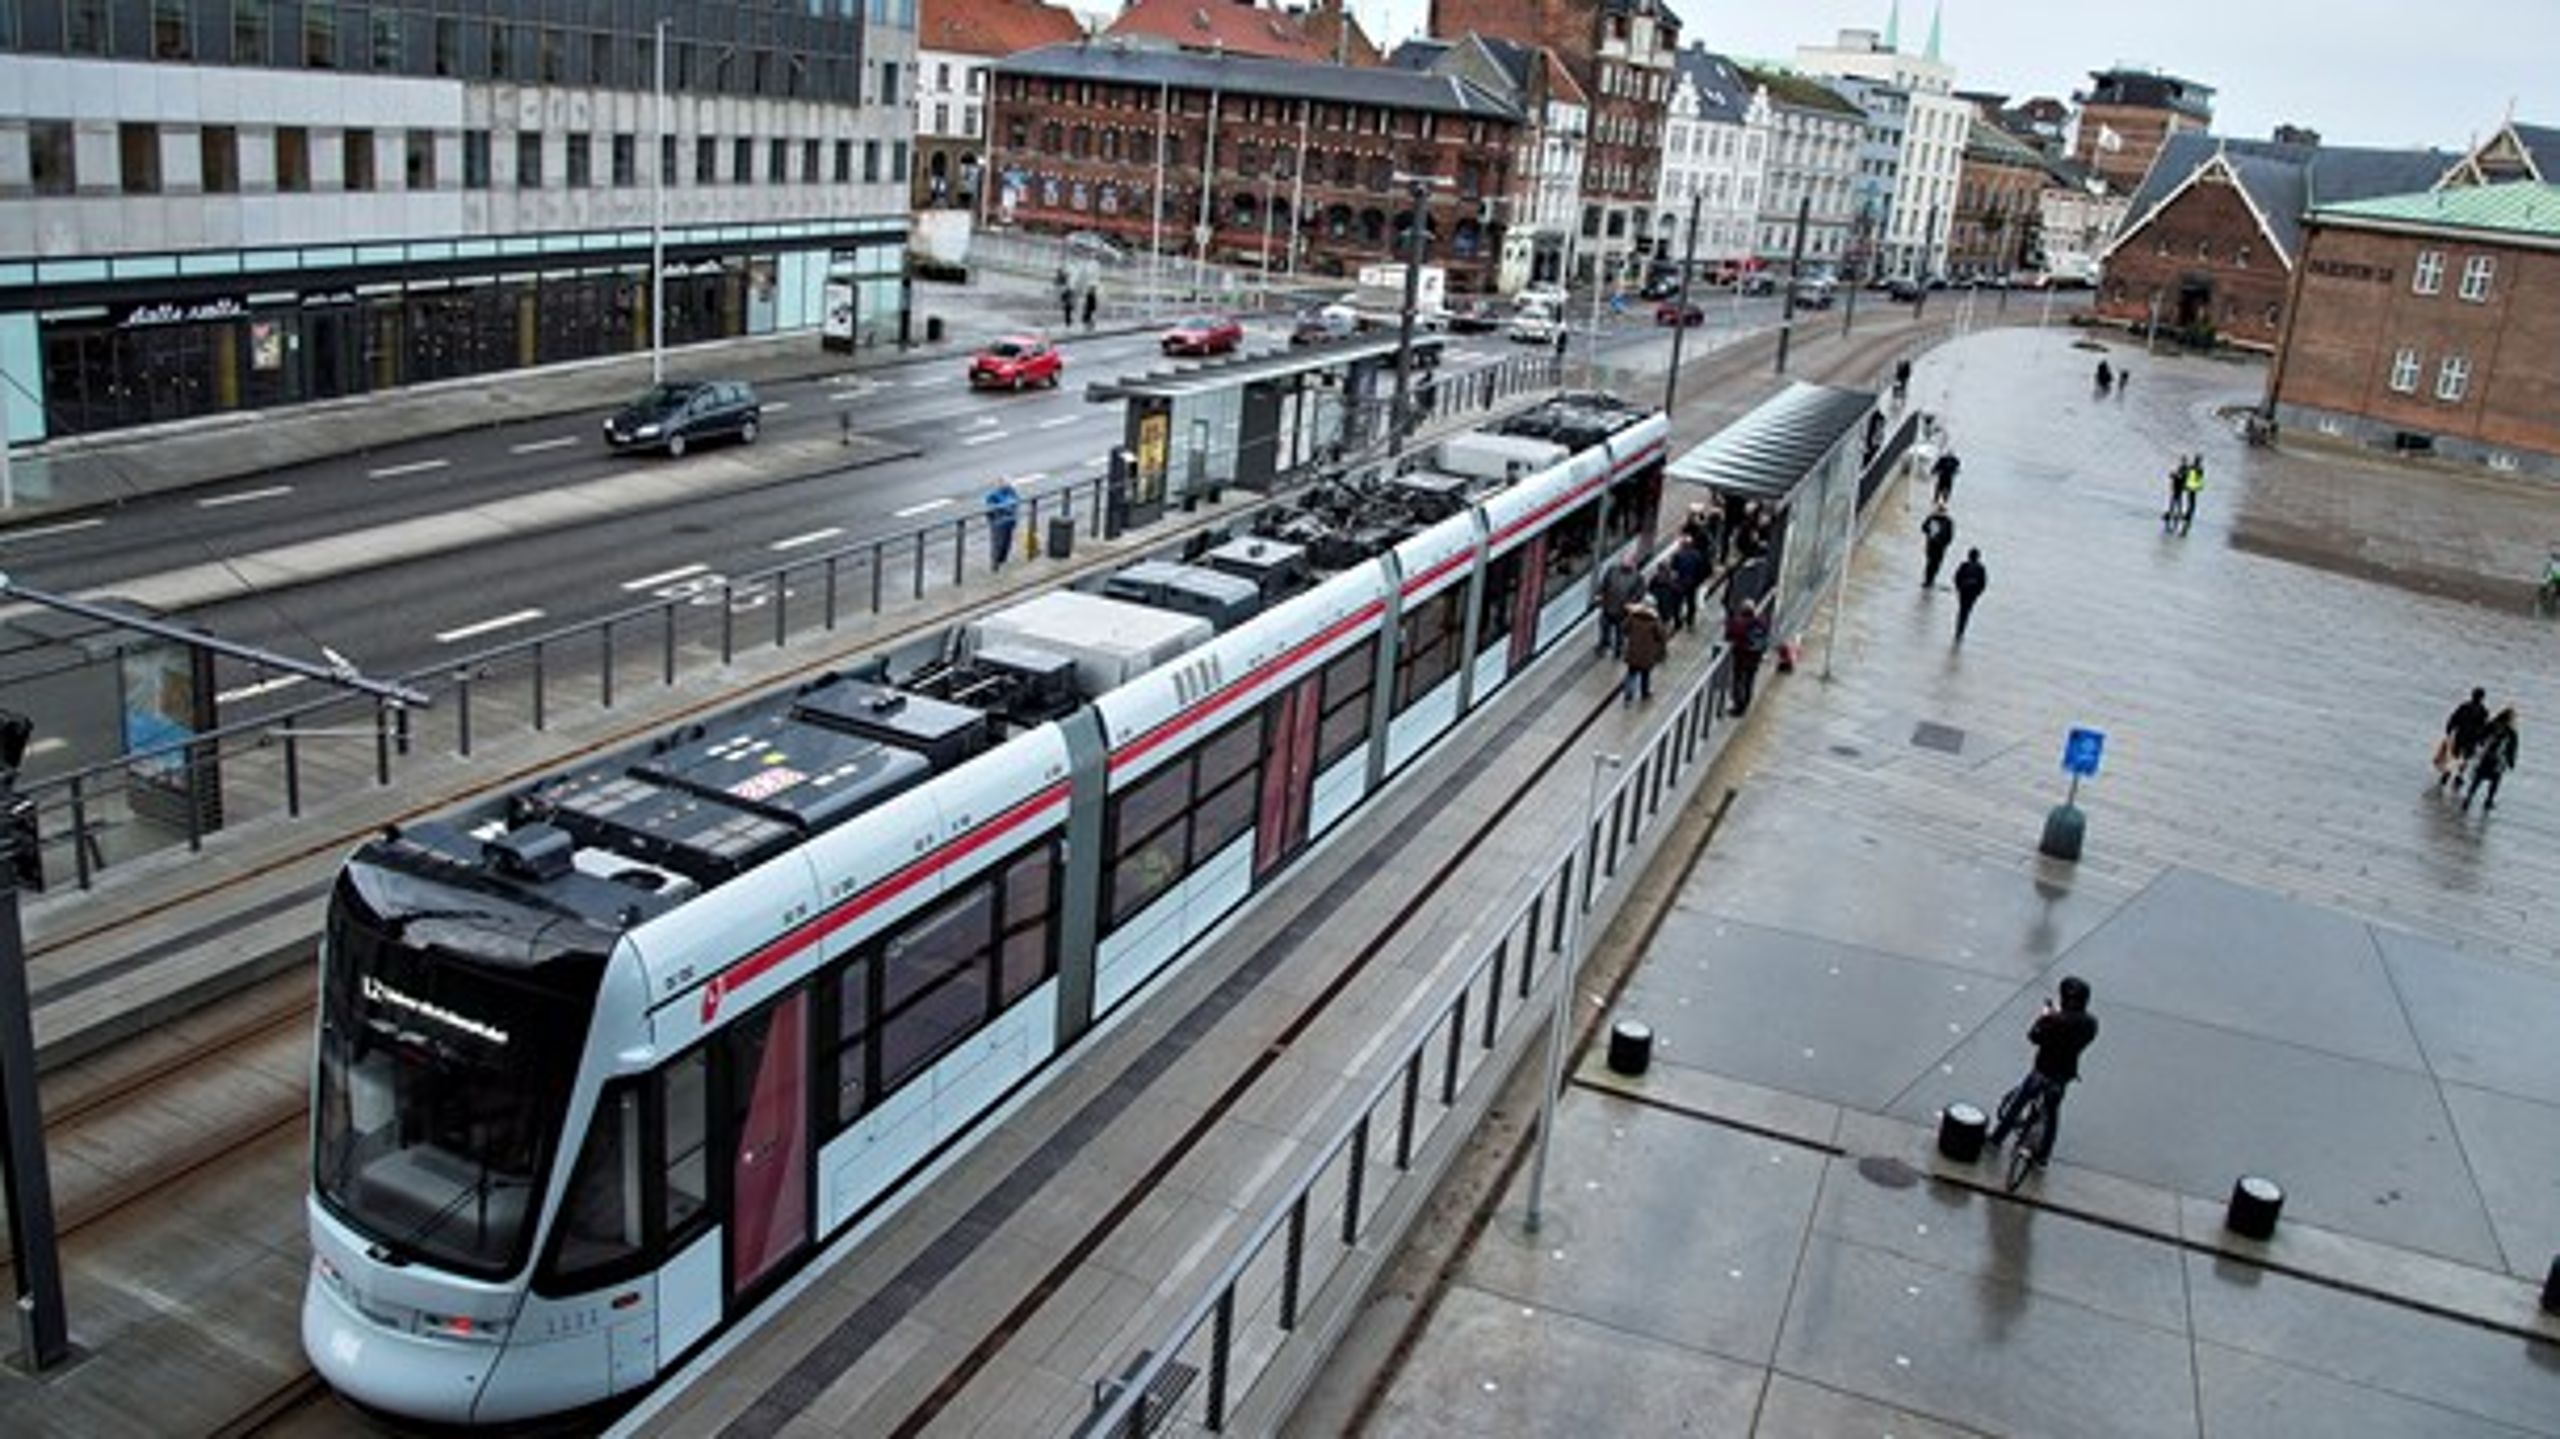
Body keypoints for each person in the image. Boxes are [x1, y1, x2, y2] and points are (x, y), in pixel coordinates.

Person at [1984, 975, 2100, 1168]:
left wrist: (2046, 1016)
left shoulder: (2054, 1020)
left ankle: (1997, 1138)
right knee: (2052, 1114)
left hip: (2043, 1070)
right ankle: (2043, 1155)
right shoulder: (2091, 1023)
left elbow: (2034, 1037)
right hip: (2063, 1074)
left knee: (2018, 1102)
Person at [2462, 707, 2520, 814]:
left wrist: (2477, 748)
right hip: (2498, 760)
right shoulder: (2511, 733)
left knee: (2477, 779)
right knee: (2495, 781)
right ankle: (2488, 801)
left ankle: (2468, 798)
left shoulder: (2492, 724)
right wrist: (2511, 762)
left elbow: (2480, 736)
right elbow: (2512, 749)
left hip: (2485, 756)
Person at [1723, 598, 1770, 715]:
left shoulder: (1740, 623)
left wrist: (1730, 619)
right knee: (1749, 681)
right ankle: (1746, 704)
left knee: (1738, 680)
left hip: (1742, 657)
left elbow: (1728, 634)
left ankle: (1738, 707)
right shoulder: (1761, 622)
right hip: (1756, 657)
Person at [2441, 687, 2491, 790]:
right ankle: (2457, 777)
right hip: (2471, 738)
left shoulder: (2465, 707)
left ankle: (2447, 774)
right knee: (2465, 758)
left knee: (2455, 756)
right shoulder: (2483, 711)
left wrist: (2449, 730)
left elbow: (2454, 718)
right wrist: (2482, 740)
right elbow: (2484, 727)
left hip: (2462, 736)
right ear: (2482, 698)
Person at [1621, 596, 1666, 705]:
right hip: (1647, 654)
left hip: (1633, 651)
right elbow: (1661, 635)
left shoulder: (1633, 616)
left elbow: (1624, 628)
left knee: (1631, 673)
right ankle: (1644, 693)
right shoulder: (1654, 620)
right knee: (1645, 675)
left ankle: (1628, 695)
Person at [1596, 555, 1643, 657]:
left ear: (1633, 564)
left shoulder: (1637, 576)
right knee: (1604, 627)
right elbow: (1604, 584)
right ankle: (1604, 644)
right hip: (1608, 606)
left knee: (1620, 631)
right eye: (1624, 561)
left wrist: (1631, 602)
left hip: (1623, 610)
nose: (1625, 563)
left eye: (1628, 561)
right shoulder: (1612, 570)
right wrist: (1599, 595)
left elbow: (1639, 593)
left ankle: (1618, 649)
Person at [1669, 533, 1711, 633]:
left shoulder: (1677, 555)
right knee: (1691, 604)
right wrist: (1698, 581)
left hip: (1680, 583)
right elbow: (1702, 570)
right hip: (1692, 584)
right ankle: (1690, 622)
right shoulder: (1697, 555)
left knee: (1677, 604)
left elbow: (1673, 571)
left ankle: (1677, 623)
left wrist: (1673, 582)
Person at [984, 479, 1022, 569]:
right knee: (998, 544)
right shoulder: (994, 496)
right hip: (1000, 524)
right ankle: (995, 564)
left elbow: (1015, 504)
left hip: (1008, 522)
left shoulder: (1011, 492)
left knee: (1005, 544)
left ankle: (999, 562)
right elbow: (990, 510)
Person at [1952, 547, 1987, 641]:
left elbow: (1956, 578)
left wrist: (1959, 588)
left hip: (1964, 592)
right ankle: (1960, 631)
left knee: (1962, 611)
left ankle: (1958, 631)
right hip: (1971, 594)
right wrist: (1977, 594)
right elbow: (1983, 584)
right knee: (1966, 612)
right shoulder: (1981, 568)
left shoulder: (1964, 565)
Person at [1920, 501, 1955, 589]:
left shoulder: (1947, 521)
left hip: (1940, 546)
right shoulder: (1932, 518)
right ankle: (1928, 580)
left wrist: (1945, 543)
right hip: (1933, 544)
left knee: (1935, 563)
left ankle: (1930, 579)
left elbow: (1950, 535)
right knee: (1931, 562)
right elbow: (1924, 528)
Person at [2178, 454, 2205, 535]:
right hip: (2193, 487)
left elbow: (2188, 475)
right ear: (2199, 461)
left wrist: (2185, 484)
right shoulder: (2199, 469)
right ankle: (2188, 516)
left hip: (2190, 486)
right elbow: (2199, 478)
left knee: (2190, 502)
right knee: (2192, 503)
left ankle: (2187, 515)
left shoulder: (2192, 467)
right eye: (2199, 460)